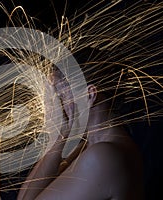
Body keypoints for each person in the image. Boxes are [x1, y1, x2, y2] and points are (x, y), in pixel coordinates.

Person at [17, 64, 145, 200]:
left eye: (60, 96)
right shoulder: (86, 147)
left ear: (90, 95)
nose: (56, 106)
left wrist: (59, 137)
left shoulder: (101, 156)